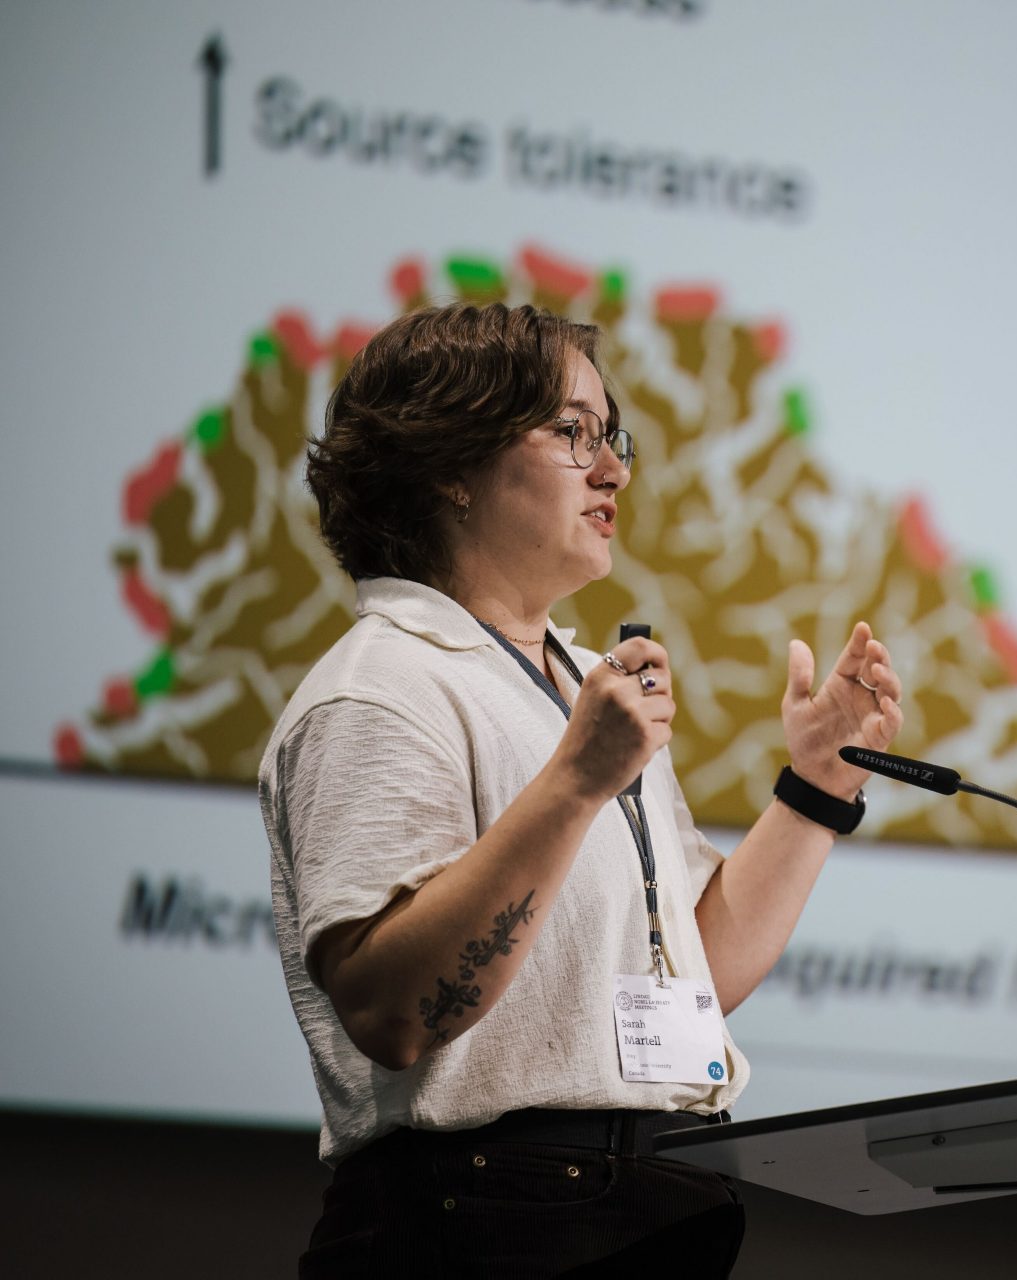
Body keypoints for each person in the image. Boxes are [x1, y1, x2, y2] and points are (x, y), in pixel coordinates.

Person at [259, 302, 904, 1278]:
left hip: (653, 1201)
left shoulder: (583, 679)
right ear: (445, 462)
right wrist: (574, 780)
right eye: (571, 432)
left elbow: (694, 973)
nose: (614, 470)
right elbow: (395, 1011)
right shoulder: (381, 688)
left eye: (612, 437)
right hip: (479, 1222)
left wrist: (817, 786)